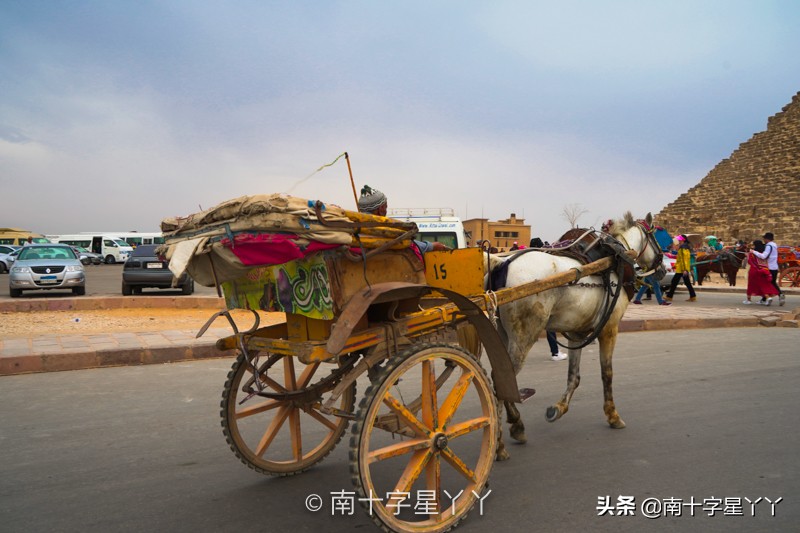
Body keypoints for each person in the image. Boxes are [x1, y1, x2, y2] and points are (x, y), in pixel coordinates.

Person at [357, 185, 449, 253]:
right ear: (380, 209)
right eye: (385, 207)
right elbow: (409, 244)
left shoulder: (353, 229)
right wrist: (431, 246)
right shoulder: (383, 229)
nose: (386, 210)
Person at [751, 232, 785, 306]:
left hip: (769, 267)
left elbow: (763, 256)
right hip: (774, 267)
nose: (764, 240)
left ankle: (773, 296)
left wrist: (754, 252)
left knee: (764, 283)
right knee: (772, 283)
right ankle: (766, 298)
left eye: (764, 238)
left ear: (767, 239)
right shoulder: (774, 245)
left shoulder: (769, 246)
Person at [743, 239, 779, 305]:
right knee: (762, 285)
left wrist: (747, 256)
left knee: (751, 285)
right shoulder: (763, 253)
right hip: (763, 270)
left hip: (754, 270)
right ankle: (768, 297)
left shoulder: (753, 253)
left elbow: (750, 262)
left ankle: (749, 300)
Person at [664, 234, 697, 302]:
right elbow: (680, 260)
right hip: (682, 268)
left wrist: (684, 269)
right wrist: (674, 266)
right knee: (686, 283)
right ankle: (693, 296)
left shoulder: (682, 248)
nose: (678, 240)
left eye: (679, 239)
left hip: (681, 269)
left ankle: (669, 296)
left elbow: (684, 259)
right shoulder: (686, 247)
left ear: (682, 240)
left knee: (674, 282)